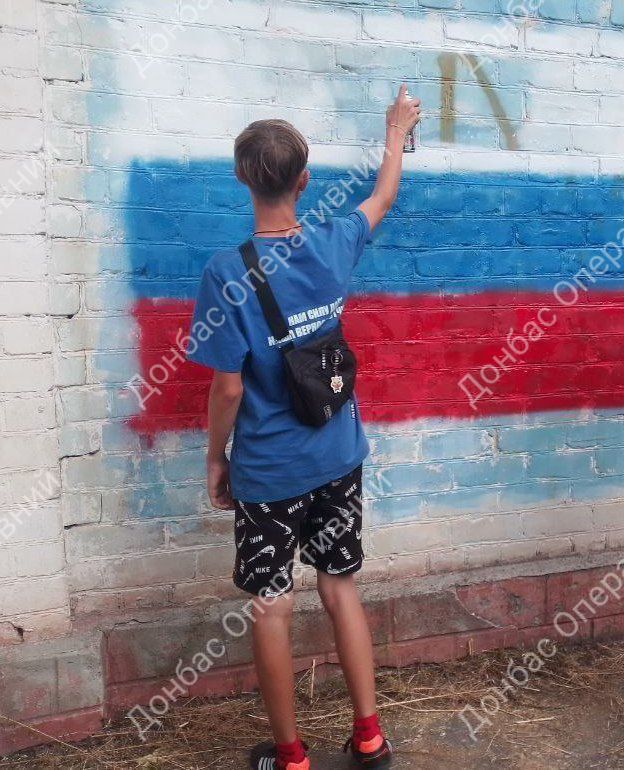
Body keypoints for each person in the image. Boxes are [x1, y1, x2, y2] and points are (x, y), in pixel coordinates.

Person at [186, 87, 421, 770]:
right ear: (304, 180)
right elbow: (382, 197)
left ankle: (290, 756)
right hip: (338, 452)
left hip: (268, 469)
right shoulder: (332, 243)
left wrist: (213, 458)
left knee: (270, 603)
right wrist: (394, 133)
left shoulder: (226, 273)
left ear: (240, 179)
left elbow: (228, 385)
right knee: (340, 585)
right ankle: (370, 738)